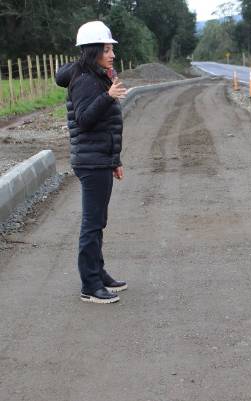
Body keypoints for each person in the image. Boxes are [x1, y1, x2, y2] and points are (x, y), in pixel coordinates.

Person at [56, 21, 127, 304]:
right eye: (107, 49)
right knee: (92, 223)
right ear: (94, 50)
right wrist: (107, 97)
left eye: (111, 49)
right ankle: (90, 285)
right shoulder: (86, 80)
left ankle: (99, 273)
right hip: (90, 161)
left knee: (98, 220)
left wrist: (115, 160)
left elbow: (107, 127)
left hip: (100, 159)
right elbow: (85, 120)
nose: (112, 54)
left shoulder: (97, 76)